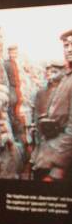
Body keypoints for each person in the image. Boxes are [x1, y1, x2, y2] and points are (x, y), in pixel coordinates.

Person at [32, 29, 72, 181]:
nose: (69, 49)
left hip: (60, 166)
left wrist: (57, 170)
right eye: (66, 45)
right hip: (49, 155)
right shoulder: (67, 78)